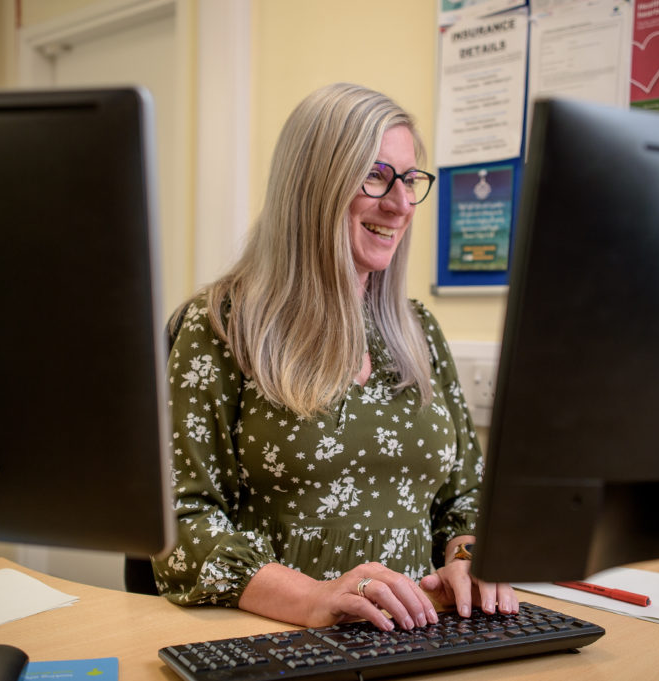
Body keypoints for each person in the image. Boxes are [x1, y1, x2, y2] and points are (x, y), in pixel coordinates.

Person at [151, 82, 518, 632]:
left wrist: (467, 558)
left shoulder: (418, 329)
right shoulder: (221, 324)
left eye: (410, 180)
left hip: (421, 639)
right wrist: (312, 598)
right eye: (375, 176)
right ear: (313, 185)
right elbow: (179, 521)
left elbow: (464, 493)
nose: (398, 205)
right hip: (277, 637)